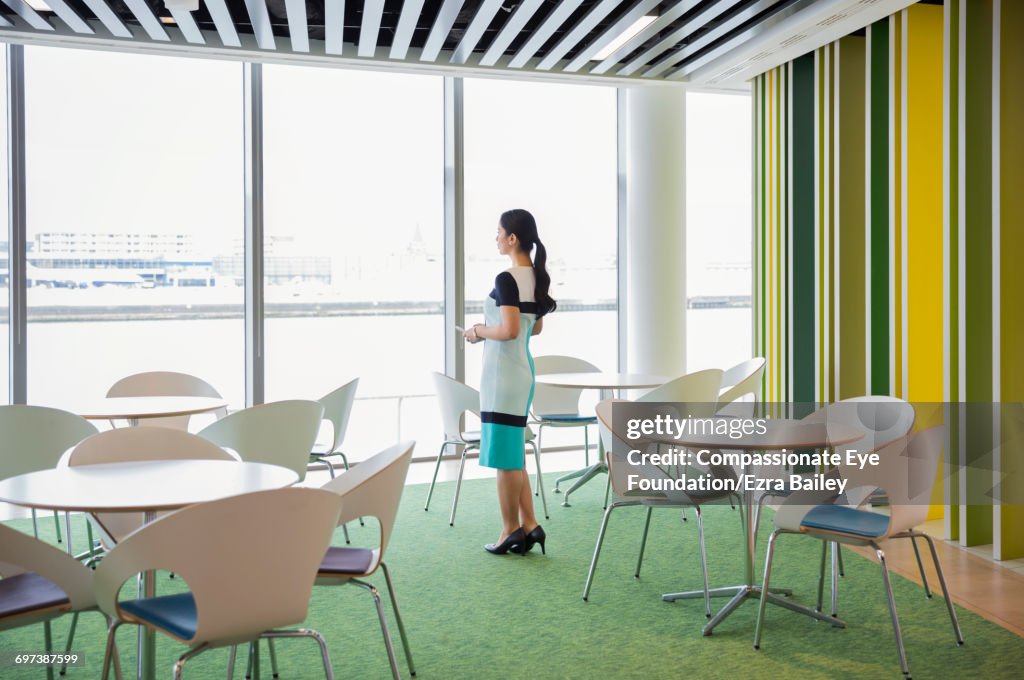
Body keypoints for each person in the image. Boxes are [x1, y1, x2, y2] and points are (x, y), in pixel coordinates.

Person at [464, 209, 556, 556]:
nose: (497, 238)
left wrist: (477, 331)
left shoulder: (507, 278)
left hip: (503, 376)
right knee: (514, 455)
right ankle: (530, 525)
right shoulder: (537, 277)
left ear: (512, 238)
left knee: (506, 459)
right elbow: (536, 327)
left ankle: (508, 530)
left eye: (499, 232)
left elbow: (510, 330)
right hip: (522, 372)